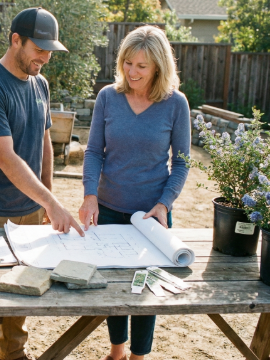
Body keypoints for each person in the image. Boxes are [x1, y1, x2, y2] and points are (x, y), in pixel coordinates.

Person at [0, 7, 84, 360]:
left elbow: (44, 144)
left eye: (49, 50)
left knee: (23, 287)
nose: (45, 57)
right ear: (15, 40)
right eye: (38, 49)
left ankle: (13, 354)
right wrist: (53, 205)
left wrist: (45, 200)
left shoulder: (40, 84)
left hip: (28, 211)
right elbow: (6, 158)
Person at [78, 25, 191, 360]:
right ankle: (117, 351)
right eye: (128, 62)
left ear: (158, 66)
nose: (132, 71)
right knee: (115, 286)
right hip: (109, 208)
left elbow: (181, 164)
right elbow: (94, 151)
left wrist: (163, 204)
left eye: (142, 66)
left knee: (145, 290)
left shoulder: (175, 104)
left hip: (152, 216)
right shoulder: (108, 97)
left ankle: (139, 356)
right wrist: (89, 195)